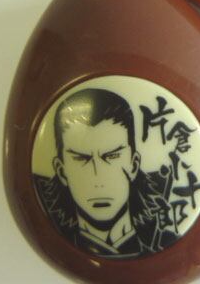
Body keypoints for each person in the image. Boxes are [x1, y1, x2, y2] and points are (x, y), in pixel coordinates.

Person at [34, 88, 177, 258]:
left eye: (112, 156)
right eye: (82, 158)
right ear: (61, 171)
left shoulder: (165, 240)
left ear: (133, 165)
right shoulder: (53, 242)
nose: (98, 179)